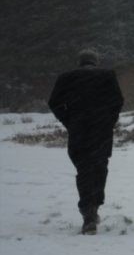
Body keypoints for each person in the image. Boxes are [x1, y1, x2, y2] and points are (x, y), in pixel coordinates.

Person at [48, 49, 124, 235]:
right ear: (96, 61)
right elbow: (118, 101)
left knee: (84, 169)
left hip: (79, 131)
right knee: (100, 167)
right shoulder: (107, 75)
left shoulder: (66, 77)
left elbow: (54, 102)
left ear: (80, 62)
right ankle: (95, 205)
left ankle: (87, 213)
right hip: (101, 131)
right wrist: (108, 121)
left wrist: (69, 120)